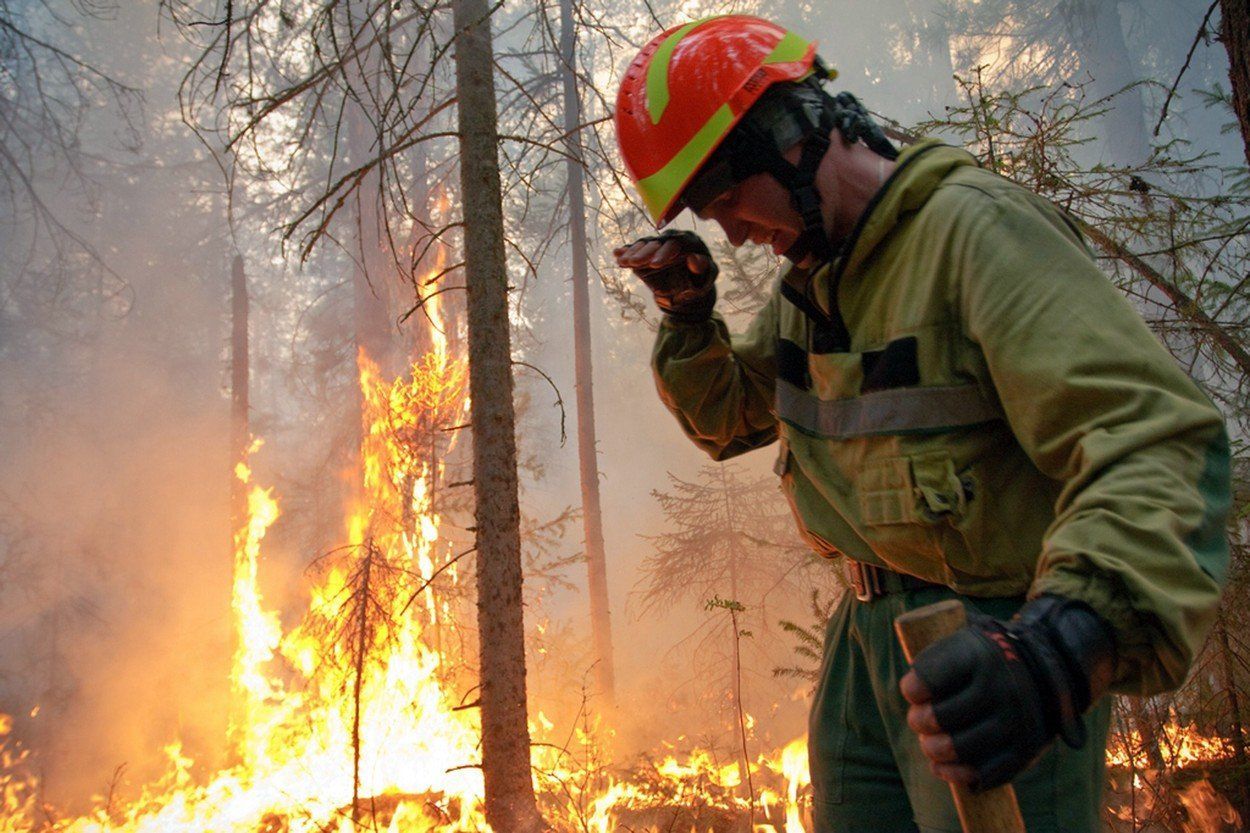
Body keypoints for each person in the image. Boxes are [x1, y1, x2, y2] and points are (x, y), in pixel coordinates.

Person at [612, 15, 1231, 833]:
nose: (729, 232)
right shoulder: (818, 276)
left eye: (727, 197)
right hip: (864, 650)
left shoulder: (975, 234)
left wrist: (1060, 647)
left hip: (992, 648)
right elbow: (733, 416)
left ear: (788, 137)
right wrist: (689, 315)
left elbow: (1156, 440)